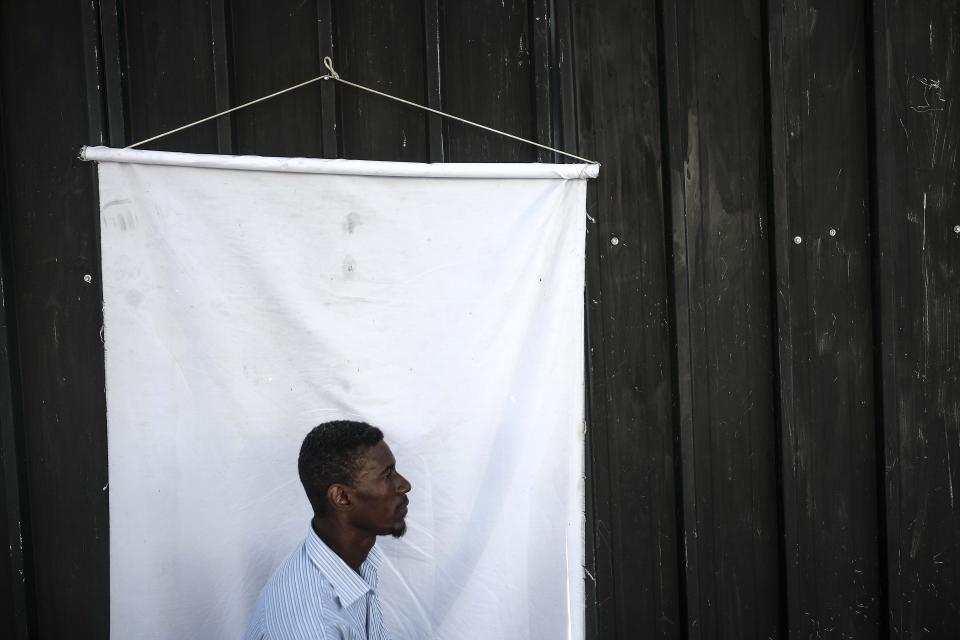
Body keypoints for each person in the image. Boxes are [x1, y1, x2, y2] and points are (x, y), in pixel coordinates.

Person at [245, 420, 412, 640]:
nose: (405, 484)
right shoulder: (313, 625)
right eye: (387, 475)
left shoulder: (353, 561)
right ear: (341, 497)